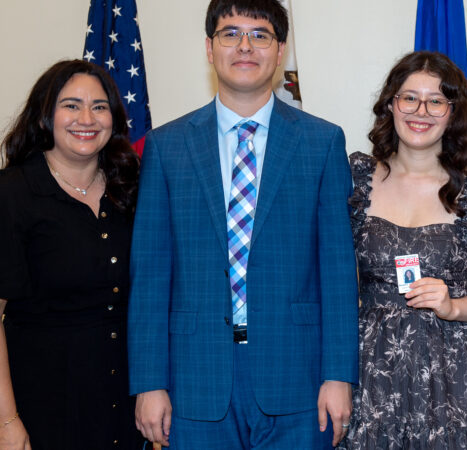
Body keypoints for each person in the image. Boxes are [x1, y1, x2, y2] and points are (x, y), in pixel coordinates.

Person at [127, 0, 358, 448]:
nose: (245, 45)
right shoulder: (166, 147)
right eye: (230, 33)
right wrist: (149, 381)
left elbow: (336, 270)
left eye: (260, 34)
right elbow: (151, 274)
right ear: (210, 50)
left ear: (280, 50)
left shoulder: (322, 142)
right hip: (193, 378)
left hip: (299, 377)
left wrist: (338, 374)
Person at [0, 60, 142, 449]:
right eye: (71, 105)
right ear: (46, 116)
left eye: (99, 106)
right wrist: (4, 422)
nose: (86, 118)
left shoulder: (130, 190)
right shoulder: (13, 194)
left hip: (120, 408)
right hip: (40, 408)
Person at [340, 51, 467, 449]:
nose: (421, 111)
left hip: (456, 382)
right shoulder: (354, 180)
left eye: (436, 100)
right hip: (369, 375)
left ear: (454, 112)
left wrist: (453, 306)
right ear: (391, 104)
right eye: (409, 97)